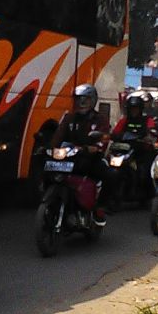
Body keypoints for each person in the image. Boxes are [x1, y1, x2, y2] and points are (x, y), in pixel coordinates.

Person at [50, 83, 112, 223]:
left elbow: (104, 138)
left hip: (90, 159)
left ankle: (99, 208)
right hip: (69, 158)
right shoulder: (69, 118)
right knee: (48, 170)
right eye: (78, 99)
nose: (82, 103)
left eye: (85, 99)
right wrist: (48, 148)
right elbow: (57, 137)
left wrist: (95, 147)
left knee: (110, 174)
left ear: (93, 100)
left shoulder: (100, 119)